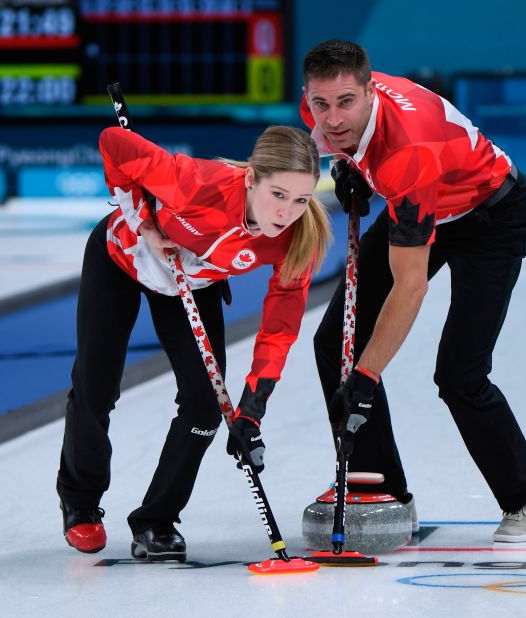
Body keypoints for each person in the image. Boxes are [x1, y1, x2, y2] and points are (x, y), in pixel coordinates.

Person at [300, 40, 526, 543]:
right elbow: (350, 142)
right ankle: (384, 491)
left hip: (490, 217)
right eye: (320, 104)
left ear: (370, 93)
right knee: (336, 345)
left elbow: (409, 287)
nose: (331, 118)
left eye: (345, 103)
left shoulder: (407, 152)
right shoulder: (337, 100)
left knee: (459, 373)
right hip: (421, 198)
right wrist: (352, 168)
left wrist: (367, 380)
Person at [56, 125, 331, 561]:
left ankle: (156, 520)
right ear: (251, 179)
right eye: (278, 195)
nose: (287, 212)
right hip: (123, 259)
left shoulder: (298, 239)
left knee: (205, 406)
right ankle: (80, 501)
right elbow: (113, 140)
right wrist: (143, 223)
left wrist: (252, 412)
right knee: (97, 385)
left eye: (301, 199)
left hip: (193, 282)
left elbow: (279, 329)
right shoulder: (193, 181)